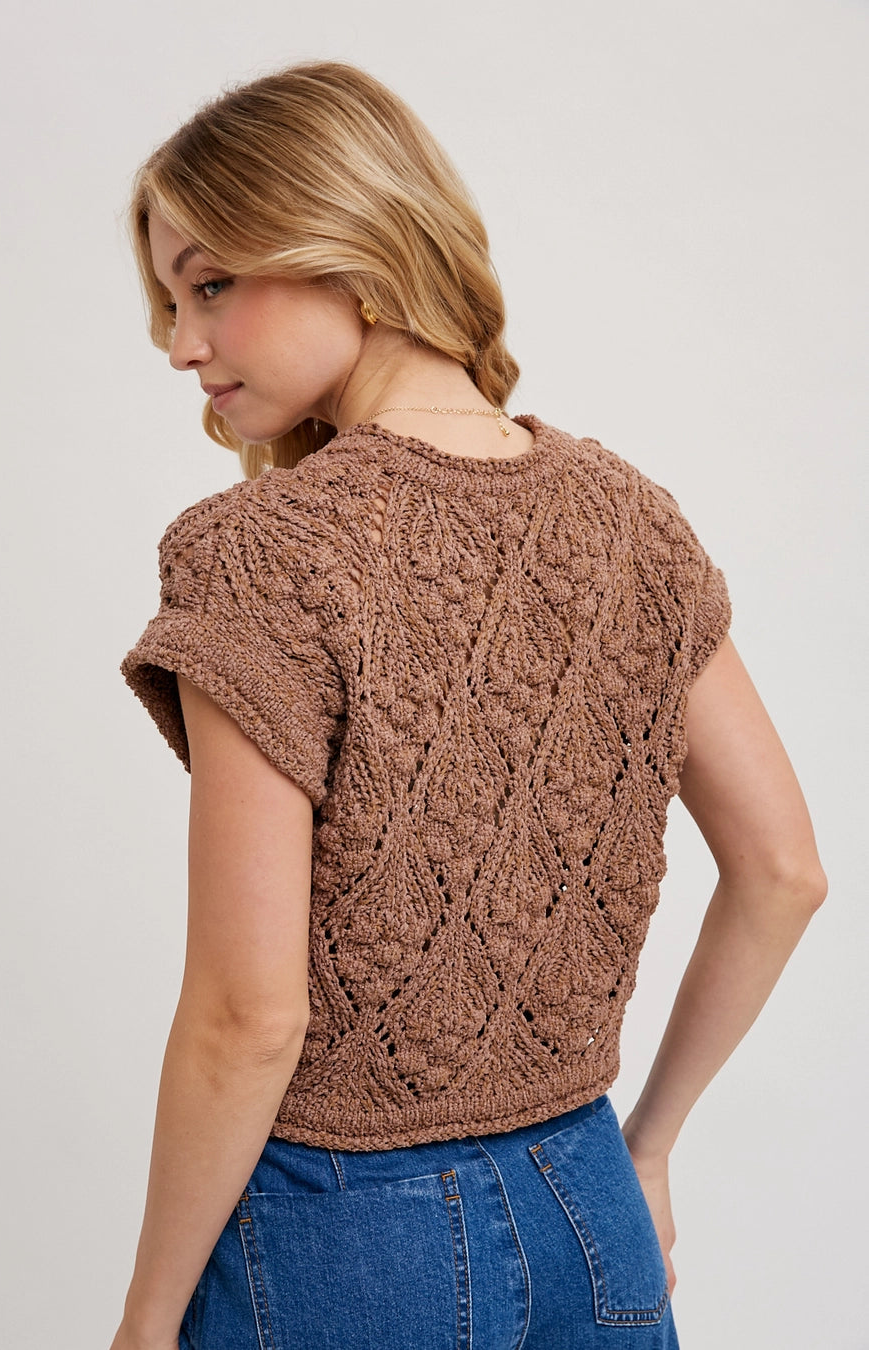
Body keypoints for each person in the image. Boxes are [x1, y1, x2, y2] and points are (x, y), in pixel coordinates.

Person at [113, 60, 826, 1350]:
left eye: (212, 284)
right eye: (170, 299)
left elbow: (248, 1015)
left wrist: (147, 1320)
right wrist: (647, 1146)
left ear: (353, 250)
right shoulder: (628, 517)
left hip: (341, 1237)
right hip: (590, 1204)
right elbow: (784, 871)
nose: (180, 344)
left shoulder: (262, 553)